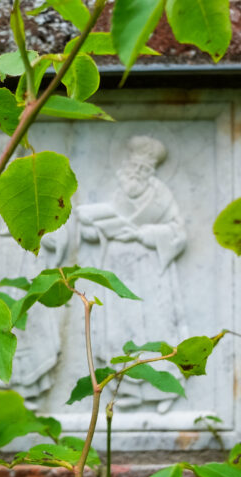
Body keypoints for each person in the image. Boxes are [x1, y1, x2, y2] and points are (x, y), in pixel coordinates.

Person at [76, 135, 187, 413]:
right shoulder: (118, 194)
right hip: (118, 270)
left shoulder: (162, 197)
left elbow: (178, 233)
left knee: (156, 327)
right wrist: (94, 228)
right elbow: (99, 229)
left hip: (151, 270)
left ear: (150, 171)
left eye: (142, 169)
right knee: (121, 330)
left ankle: (163, 391)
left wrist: (144, 234)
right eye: (132, 167)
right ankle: (129, 391)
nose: (135, 173)